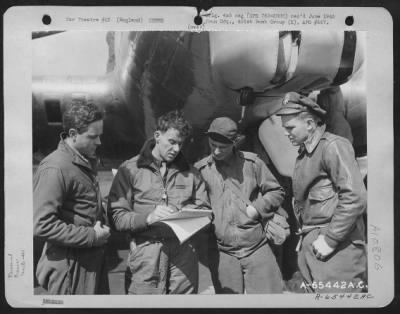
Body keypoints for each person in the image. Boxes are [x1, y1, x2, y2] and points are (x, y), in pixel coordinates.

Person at [107, 110, 211, 294]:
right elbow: (116, 217)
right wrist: (148, 218)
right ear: (157, 136)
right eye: (172, 142)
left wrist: (185, 213)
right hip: (146, 251)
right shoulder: (130, 170)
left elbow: (206, 212)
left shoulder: (192, 173)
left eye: (180, 143)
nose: (177, 149)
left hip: (184, 255)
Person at [275, 92, 367, 293]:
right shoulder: (305, 154)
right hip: (314, 245)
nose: (285, 133)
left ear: (309, 124)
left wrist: (330, 239)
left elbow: (355, 197)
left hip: (337, 249)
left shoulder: (333, 146)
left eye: (290, 127)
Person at [195, 117, 286, 294]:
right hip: (223, 252)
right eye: (213, 144)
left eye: (223, 147)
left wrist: (258, 208)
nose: (216, 151)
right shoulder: (201, 170)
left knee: (269, 303)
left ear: (234, 143)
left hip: (256, 247)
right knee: (228, 306)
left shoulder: (252, 164)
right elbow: (198, 207)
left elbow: (276, 191)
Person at [33, 102, 111, 294]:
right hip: (71, 270)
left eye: (100, 135)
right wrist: (92, 236)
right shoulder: (55, 167)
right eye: (93, 136)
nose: (99, 142)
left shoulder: (81, 161)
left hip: (91, 264)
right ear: (74, 134)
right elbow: (41, 225)